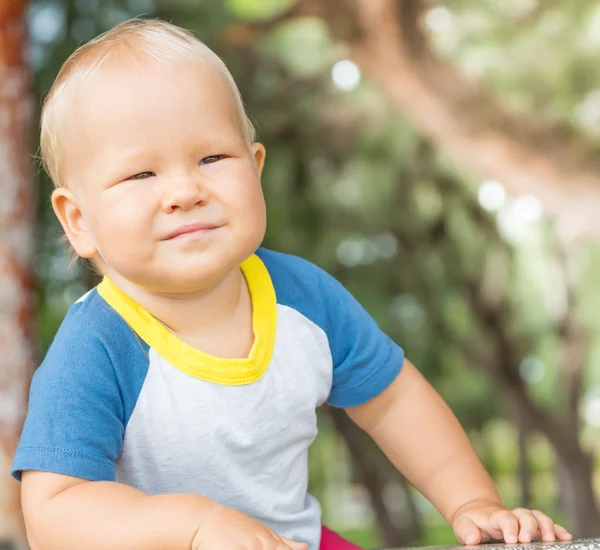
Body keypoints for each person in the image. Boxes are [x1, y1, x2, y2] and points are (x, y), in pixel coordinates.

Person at [11, 18, 572, 550]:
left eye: (211, 157)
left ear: (255, 169)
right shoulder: (97, 346)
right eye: (141, 174)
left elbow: (394, 399)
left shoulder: (302, 297)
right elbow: (54, 513)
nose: (184, 190)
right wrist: (196, 526)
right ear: (79, 220)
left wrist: (471, 501)